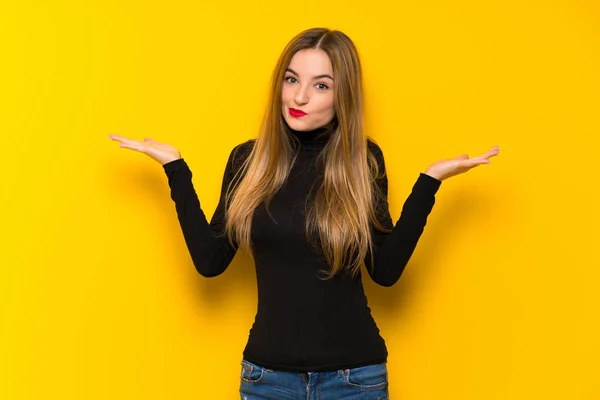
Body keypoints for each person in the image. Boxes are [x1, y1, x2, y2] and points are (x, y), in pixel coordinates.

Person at [109, 27, 500, 400]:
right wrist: (175, 169)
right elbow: (210, 262)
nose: (299, 98)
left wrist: (429, 182)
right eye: (292, 80)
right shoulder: (249, 160)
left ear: (342, 96)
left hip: (354, 379)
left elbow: (385, 271)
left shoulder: (362, 162)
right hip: (266, 380)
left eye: (321, 85)